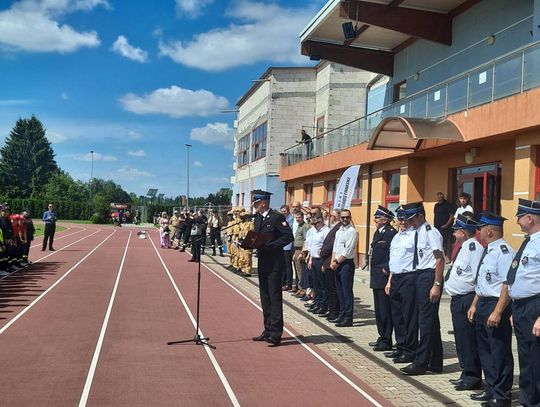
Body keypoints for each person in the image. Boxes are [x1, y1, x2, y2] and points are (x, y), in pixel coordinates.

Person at [468, 212, 514, 406]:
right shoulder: (489, 250)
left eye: (480, 229)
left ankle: (502, 395)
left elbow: (507, 284)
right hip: (484, 303)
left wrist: (498, 311)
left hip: (497, 304)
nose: (478, 232)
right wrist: (474, 304)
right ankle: (491, 388)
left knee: (499, 351)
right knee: (485, 350)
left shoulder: (504, 252)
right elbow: (483, 282)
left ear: (489, 230)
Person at [400, 202, 445, 376]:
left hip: (429, 276)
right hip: (420, 275)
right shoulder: (418, 232)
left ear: (420, 215)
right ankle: (435, 362)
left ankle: (421, 362)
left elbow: (439, 259)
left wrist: (437, 284)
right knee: (431, 321)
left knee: (425, 322)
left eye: (412, 219)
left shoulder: (430, 232)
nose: (410, 222)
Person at [443, 213, 483, 391]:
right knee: (461, 338)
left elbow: (478, 278)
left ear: (463, 232)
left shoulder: (473, 248)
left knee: (468, 339)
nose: (453, 234)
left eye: (456, 231)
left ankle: (472, 377)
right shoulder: (464, 247)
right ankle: (466, 372)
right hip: (458, 299)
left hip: (467, 299)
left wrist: (474, 303)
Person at [506, 198, 540, 407]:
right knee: (526, 360)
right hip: (521, 307)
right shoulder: (528, 241)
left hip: (535, 306)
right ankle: (529, 401)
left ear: (530, 217)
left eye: (520, 217)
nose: (517, 221)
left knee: (536, 360)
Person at [251, 190, 294, 346]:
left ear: (263, 203)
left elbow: (288, 237)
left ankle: (276, 333)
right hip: (263, 262)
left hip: (275, 263)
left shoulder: (277, 218)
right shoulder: (258, 219)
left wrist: (271, 246)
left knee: (274, 297)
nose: (254, 206)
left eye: (256, 203)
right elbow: (257, 237)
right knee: (265, 297)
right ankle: (268, 329)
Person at [385, 207, 417, 364]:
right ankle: (401, 346)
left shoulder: (415, 236)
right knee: (396, 315)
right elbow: (394, 260)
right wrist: (390, 280)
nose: (402, 222)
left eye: (405, 219)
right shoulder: (397, 237)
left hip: (409, 278)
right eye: (400, 219)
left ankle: (410, 350)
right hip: (396, 277)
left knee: (408, 315)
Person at [369, 205, 397, 351]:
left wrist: (387, 268)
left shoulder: (391, 234)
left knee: (385, 310)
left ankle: (387, 340)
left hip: (384, 276)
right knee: (379, 310)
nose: (375, 219)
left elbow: (393, 255)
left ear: (385, 219)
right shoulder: (378, 233)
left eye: (378, 217)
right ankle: (382, 336)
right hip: (376, 276)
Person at [330, 208, 359, 327]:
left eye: (347, 217)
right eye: (343, 217)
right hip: (336, 263)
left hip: (346, 264)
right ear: (339, 218)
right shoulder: (339, 231)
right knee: (340, 291)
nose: (345, 219)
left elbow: (348, 250)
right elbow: (335, 248)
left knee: (347, 291)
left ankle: (348, 317)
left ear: (350, 218)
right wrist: (332, 261)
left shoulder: (352, 231)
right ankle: (341, 314)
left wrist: (337, 262)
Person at [305, 209, 330, 315]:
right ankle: (317, 302)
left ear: (321, 221)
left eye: (316, 223)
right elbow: (312, 247)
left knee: (322, 285)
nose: (314, 225)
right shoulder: (314, 231)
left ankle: (323, 305)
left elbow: (324, 248)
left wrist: (324, 263)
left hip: (321, 260)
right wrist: (310, 259)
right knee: (316, 284)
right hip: (314, 259)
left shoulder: (326, 231)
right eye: (313, 223)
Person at [320, 209, 341, 321]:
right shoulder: (334, 227)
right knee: (329, 287)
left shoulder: (337, 228)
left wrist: (322, 252)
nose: (330, 217)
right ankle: (331, 309)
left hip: (330, 261)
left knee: (333, 289)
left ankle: (334, 311)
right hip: (327, 261)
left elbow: (332, 245)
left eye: (331, 215)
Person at [434, 192, 455, 262]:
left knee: (445, 243)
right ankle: (439, 257)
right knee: (438, 243)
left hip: (445, 228)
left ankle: (446, 258)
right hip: (437, 228)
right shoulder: (436, 205)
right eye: (438, 197)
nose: (439, 199)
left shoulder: (448, 205)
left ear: (443, 197)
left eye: (440, 197)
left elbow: (452, 216)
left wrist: (446, 225)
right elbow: (435, 216)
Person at [292, 211, 309, 295]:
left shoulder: (305, 226)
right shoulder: (299, 226)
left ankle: (303, 289)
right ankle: (299, 287)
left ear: (303, 217)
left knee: (300, 270)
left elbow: (305, 240)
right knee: (297, 269)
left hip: (301, 250)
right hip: (296, 250)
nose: (298, 219)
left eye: (299, 217)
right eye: (296, 217)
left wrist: (302, 253)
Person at [280, 205, 294, 291]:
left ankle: (288, 284)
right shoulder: (282, 219)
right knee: (283, 265)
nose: (283, 213)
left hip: (288, 245)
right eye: (282, 211)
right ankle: (283, 282)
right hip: (282, 245)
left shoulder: (291, 219)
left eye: (284, 211)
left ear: (288, 211)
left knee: (288, 266)